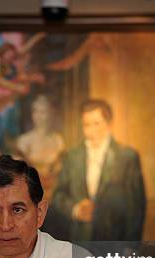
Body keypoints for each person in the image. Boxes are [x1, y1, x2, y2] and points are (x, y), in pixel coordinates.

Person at [50, 99, 146, 242]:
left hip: (115, 243)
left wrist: (130, 249)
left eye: (96, 124)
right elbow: (58, 196)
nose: (91, 130)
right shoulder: (72, 157)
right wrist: (75, 210)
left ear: (108, 124)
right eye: (86, 125)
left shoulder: (127, 157)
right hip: (80, 241)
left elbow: (136, 209)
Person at [15, 94, 65, 197]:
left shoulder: (58, 140)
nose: (38, 116)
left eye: (43, 112)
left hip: (53, 194)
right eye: (35, 111)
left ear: (51, 113)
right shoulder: (24, 141)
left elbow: (61, 172)